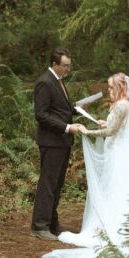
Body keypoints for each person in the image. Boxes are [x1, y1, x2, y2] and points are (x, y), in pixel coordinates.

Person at [42, 73, 129, 258]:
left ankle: (116, 227)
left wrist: (89, 132)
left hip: (117, 153)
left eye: (112, 88)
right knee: (113, 189)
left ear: (121, 88)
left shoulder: (122, 105)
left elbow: (112, 132)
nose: (109, 91)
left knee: (116, 188)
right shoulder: (122, 104)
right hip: (115, 149)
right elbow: (117, 126)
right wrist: (103, 122)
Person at [31, 47, 84, 241]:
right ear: (55, 64)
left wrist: (77, 109)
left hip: (62, 142)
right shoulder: (45, 82)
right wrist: (67, 127)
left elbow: (60, 108)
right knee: (48, 183)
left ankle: (52, 223)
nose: (68, 70)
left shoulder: (58, 81)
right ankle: (40, 225)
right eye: (65, 66)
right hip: (51, 141)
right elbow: (41, 114)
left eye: (70, 66)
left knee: (57, 183)